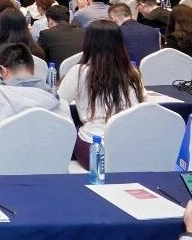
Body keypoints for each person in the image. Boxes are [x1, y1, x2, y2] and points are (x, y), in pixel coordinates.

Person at [0, 43, 69, 174]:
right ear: (32, 70)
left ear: (3, 71)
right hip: (47, 173)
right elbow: (64, 144)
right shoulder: (61, 104)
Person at [58, 20, 145, 169]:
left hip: (95, 148)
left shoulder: (79, 72)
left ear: (88, 43)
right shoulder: (133, 73)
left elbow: (59, 102)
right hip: (129, 147)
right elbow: (142, 105)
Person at [0, 8, 45, 82]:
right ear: (24, 25)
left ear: (2, 27)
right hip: (34, 89)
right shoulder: (38, 51)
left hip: (2, 89)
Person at [37, 4, 85, 69]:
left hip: (57, 73)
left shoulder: (46, 34)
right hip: (80, 72)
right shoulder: (83, 32)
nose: (47, 25)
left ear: (50, 21)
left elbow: (37, 57)